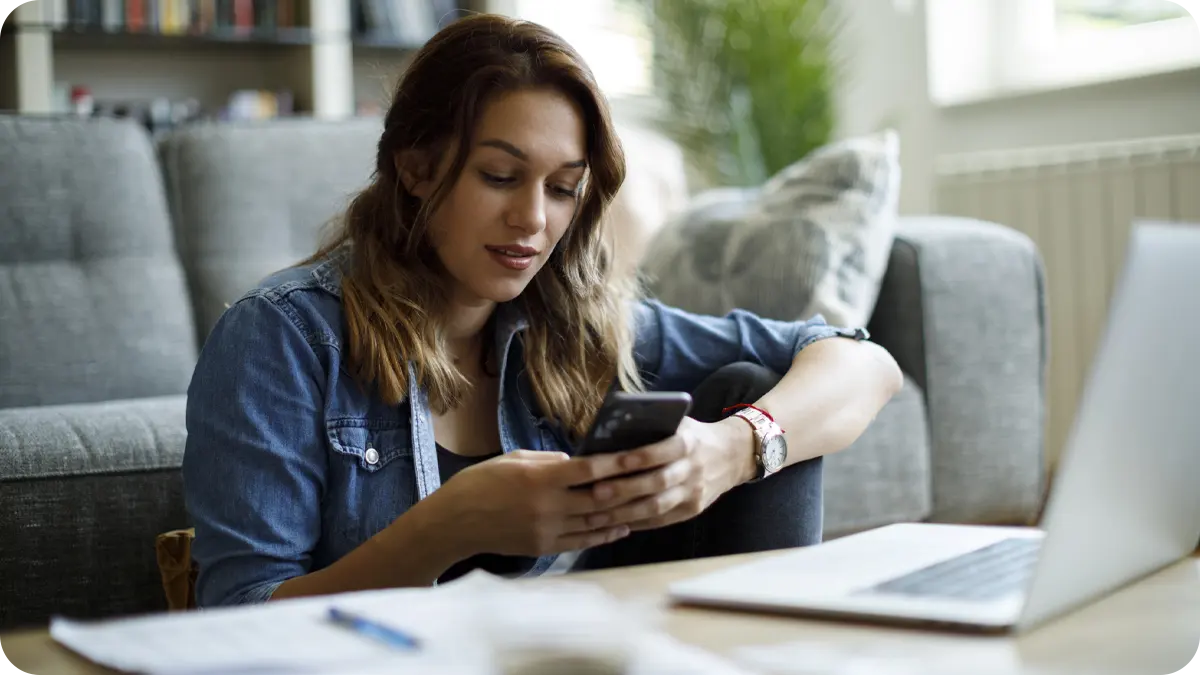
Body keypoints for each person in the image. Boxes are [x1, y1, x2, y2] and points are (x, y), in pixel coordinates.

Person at [181, 13, 903, 608]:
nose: (532, 218)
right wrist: (448, 527)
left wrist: (734, 448)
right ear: (416, 164)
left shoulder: (577, 322)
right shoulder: (283, 337)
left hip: (577, 648)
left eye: (562, 188)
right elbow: (239, 620)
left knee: (746, 386)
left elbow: (860, 359)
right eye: (500, 176)